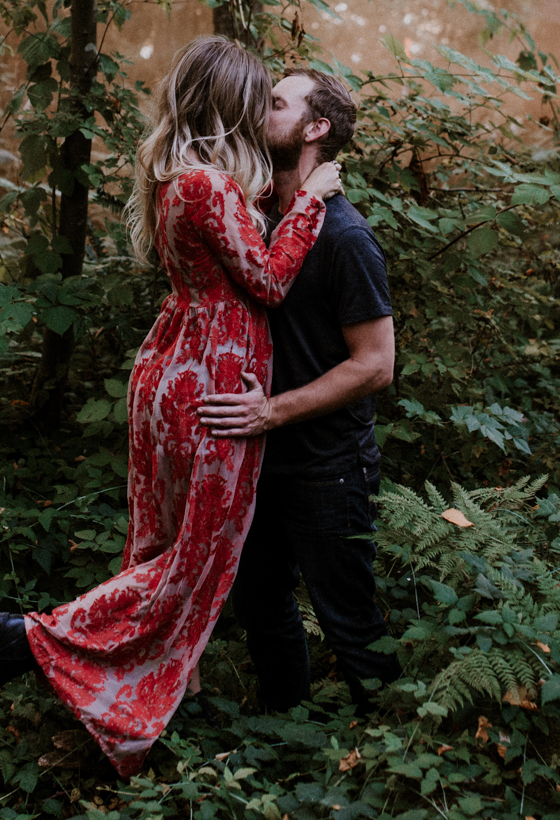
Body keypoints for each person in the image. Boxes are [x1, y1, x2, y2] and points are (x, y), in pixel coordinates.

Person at [0, 35, 345, 777]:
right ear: (231, 103)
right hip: (210, 382)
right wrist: (310, 201)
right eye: (258, 96)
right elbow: (268, 281)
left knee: (158, 543)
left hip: (175, 370)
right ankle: (29, 638)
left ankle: (156, 704)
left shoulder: (187, 175)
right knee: (199, 557)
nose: (264, 107)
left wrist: (281, 193)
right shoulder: (207, 184)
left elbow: (239, 238)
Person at [199, 68, 402, 712]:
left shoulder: (346, 238)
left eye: (277, 103)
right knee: (259, 603)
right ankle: (279, 726)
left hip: (326, 464)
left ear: (315, 130)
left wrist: (271, 411)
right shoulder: (254, 219)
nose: (260, 109)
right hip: (255, 458)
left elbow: (375, 365)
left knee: (349, 620)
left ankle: (399, 752)